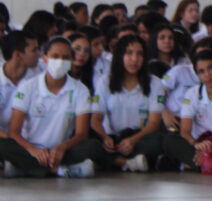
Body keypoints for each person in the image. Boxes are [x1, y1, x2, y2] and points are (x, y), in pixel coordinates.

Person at [0, 36, 103, 178]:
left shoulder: (80, 90)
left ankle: (26, 168)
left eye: (65, 57)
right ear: (45, 58)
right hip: (29, 149)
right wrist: (33, 150)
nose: (60, 61)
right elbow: (13, 132)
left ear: (71, 61)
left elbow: (81, 134)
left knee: (93, 146)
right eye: (55, 56)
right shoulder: (28, 87)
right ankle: (57, 170)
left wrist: (62, 147)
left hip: (62, 151)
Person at [89, 34, 165, 172]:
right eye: (129, 53)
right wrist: (105, 137)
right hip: (114, 140)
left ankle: (113, 161)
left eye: (139, 54)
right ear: (119, 56)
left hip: (140, 138)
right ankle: (127, 163)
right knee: (91, 141)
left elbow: (154, 123)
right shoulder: (105, 81)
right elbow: (96, 119)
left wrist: (133, 140)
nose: (134, 59)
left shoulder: (154, 83)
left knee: (160, 140)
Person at [0, 32, 40, 134]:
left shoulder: (39, 77)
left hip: (27, 142)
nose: (39, 54)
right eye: (34, 50)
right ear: (17, 55)